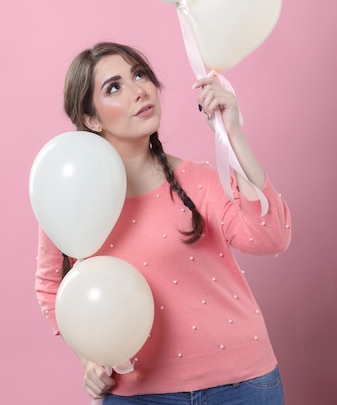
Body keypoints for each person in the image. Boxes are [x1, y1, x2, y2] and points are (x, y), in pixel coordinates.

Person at [35, 41, 291, 404]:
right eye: (114, 87)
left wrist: (232, 135)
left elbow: (272, 237)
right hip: (137, 395)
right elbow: (51, 286)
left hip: (242, 386)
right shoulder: (70, 196)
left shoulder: (200, 180)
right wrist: (89, 358)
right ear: (91, 119)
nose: (139, 90)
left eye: (140, 75)